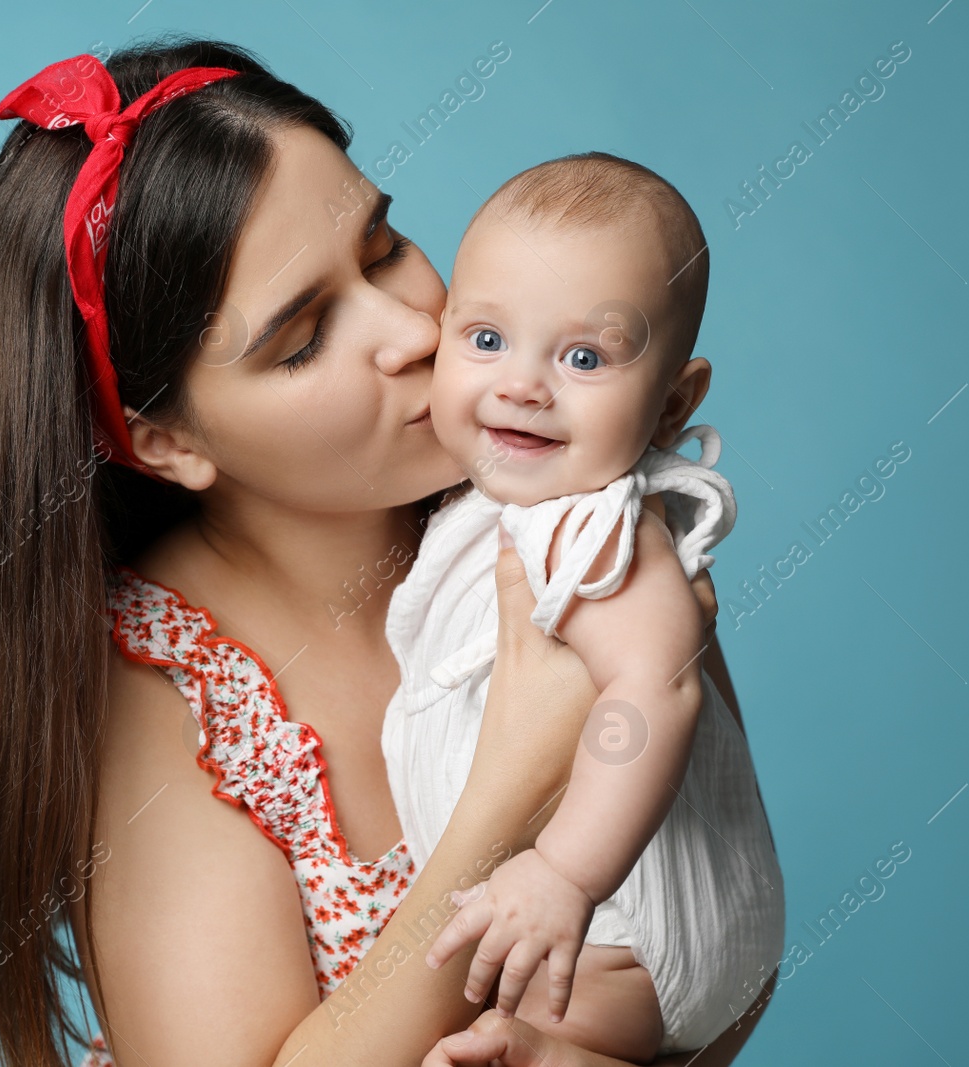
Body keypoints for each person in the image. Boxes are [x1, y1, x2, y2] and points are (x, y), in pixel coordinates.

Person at [0, 34, 776, 1067]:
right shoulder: (165, 694)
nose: (411, 331)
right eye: (302, 338)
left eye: (381, 246)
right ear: (171, 440)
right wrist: (509, 787)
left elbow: (717, 951)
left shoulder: (559, 505)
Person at [389, 153, 784, 1061]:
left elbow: (659, 685)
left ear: (671, 404)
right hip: (616, 922)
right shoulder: (497, 506)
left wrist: (565, 871)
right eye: (486, 339)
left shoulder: (594, 520)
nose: (524, 383)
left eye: (583, 357)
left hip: (628, 923)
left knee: (509, 1025)